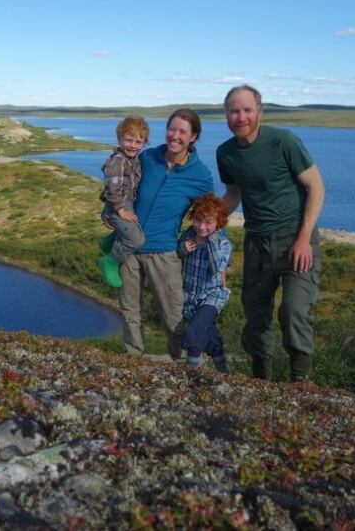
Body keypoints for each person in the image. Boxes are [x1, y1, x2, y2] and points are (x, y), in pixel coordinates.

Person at [217, 84, 325, 382]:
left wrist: (304, 238)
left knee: (293, 312)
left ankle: (300, 385)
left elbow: (316, 186)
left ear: (259, 112)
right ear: (226, 114)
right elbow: (233, 194)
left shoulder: (283, 141)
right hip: (257, 244)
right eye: (234, 111)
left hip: (296, 240)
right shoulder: (226, 153)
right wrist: (207, 222)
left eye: (247, 110)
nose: (241, 117)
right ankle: (260, 384)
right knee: (255, 316)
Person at [117, 108, 214, 360]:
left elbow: (210, 217)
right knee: (130, 311)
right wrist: (109, 214)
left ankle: (184, 364)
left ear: (194, 137)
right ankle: (132, 359)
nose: (175, 136)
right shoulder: (147, 157)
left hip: (164, 252)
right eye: (172, 129)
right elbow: (120, 187)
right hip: (129, 249)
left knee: (173, 315)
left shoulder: (200, 175)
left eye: (183, 131)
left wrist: (217, 259)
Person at [177, 193, 232, 372]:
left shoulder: (223, 243)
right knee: (208, 332)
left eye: (209, 223)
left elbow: (218, 268)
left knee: (197, 326)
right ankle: (223, 369)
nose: (202, 227)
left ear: (219, 223)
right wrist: (182, 249)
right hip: (190, 295)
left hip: (213, 295)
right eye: (198, 220)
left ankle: (191, 367)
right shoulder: (188, 234)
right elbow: (177, 255)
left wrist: (211, 243)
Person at [97, 116, 149, 288]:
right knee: (136, 240)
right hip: (118, 206)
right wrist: (120, 211)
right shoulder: (117, 161)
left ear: (144, 143)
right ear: (120, 139)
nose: (133, 145)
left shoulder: (132, 160)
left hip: (125, 203)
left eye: (138, 141)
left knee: (131, 230)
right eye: (128, 140)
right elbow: (112, 188)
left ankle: (108, 242)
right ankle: (110, 261)